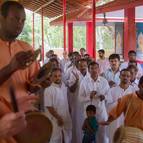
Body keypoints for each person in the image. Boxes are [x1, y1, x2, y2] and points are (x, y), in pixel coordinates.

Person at [0, 1, 39, 101]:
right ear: (1, 18)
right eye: (16, 19)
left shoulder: (27, 48)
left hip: (24, 113)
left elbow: (31, 87)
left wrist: (41, 82)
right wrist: (11, 68)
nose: (20, 24)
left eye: (23, 20)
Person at [79, 61, 109, 143]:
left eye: (96, 68)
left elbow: (109, 96)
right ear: (88, 70)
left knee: (103, 135)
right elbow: (80, 98)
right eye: (92, 68)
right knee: (89, 135)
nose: (94, 70)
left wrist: (104, 97)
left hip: (101, 112)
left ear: (99, 69)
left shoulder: (104, 81)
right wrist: (89, 97)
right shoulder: (84, 82)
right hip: (89, 114)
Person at [106, 69, 135, 143]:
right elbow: (107, 108)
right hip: (115, 122)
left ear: (130, 78)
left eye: (128, 76)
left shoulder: (134, 91)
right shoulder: (112, 90)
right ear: (119, 76)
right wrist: (117, 102)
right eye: (123, 75)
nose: (125, 77)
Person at [44, 68, 72, 143]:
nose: (58, 78)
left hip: (66, 116)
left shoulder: (64, 87)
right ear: (51, 77)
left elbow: (66, 102)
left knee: (67, 137)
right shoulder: (48, 90)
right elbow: (49, 107)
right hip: (55, 119)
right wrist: (59, 118)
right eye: (55, 76)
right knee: (55, 139)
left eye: (59, 76)